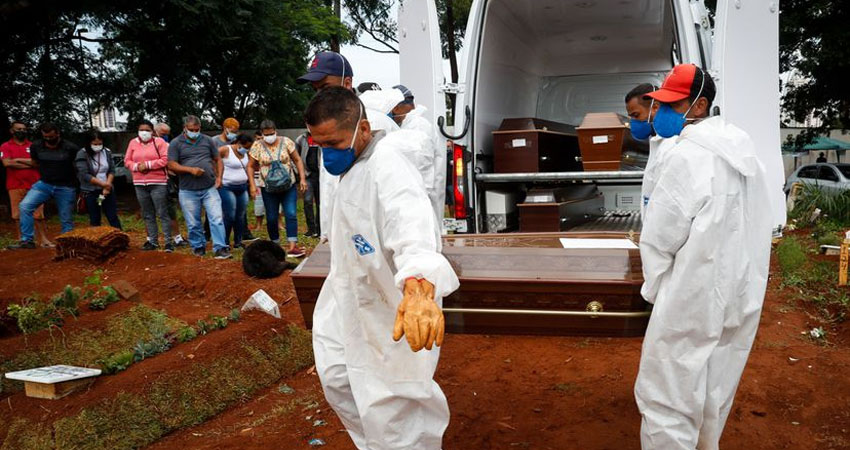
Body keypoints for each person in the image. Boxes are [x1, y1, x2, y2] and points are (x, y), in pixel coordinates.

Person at [306, 87, 459, 449]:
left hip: (390, 306)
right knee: (339, 380)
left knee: (394, 404)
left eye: (334, 143)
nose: (328, 153)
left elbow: (411, 225)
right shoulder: (353, 164)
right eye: (319, 145)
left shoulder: (388, 164)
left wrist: (419, 287)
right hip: (347, 296)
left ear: (363, 128)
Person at [634, 64, 774, 450]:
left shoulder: (687, 156)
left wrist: (657, 291)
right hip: (740, 292)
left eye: (673, 105)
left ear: (699, 106)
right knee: (716, 386)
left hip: (690, 294)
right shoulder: (747, 154)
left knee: (667, 395)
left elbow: (660, 238)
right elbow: (763, 222)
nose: (663, 113)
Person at [297, 51, 399, 241]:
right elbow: (329, 184)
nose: (320, 95)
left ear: (347, 83)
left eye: (325, 87)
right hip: (341, 234)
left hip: (373, 235)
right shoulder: (326, 125)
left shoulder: (376, 123)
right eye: (316, 90)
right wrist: (327, 230)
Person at [167, 115, 231, 259]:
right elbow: (171, 164)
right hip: (188, 189)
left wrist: (219, 177)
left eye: (197, 129)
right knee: (193, 222)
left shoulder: (207, 140)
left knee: (217, 218)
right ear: (185, 128)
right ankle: (198, 246)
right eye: (191, 130)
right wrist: (190, 170)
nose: (194, 132)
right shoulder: (176, 143)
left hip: (209, 187)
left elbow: (218, 159)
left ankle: (220, 247)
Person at [10, 123, 79, 249]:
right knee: (25, 206)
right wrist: (20, 160)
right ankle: (27, 240)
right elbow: (35, 163)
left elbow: (78, 166)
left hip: (65, 186)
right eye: (45, 137)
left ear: (57, 134)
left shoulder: (70, 148)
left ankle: (68, 243)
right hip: (44, 184)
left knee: (66, 217)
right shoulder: (36, 146)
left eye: (51, 137)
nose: (48, 139)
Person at [247, 120, 307, 257]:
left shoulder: (286, 142)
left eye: (272, 133)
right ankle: (275, 246)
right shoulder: (257, 146)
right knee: (272, 217)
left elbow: (297, 159)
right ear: (262, 134)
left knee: (291, 213)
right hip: (268, 188)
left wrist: (302, 178)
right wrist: (252, 185)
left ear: (276, 131)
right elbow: (250, 166)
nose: (270, 136)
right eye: (266, 134)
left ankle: (293, 246)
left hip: (288, 185)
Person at [390, 84, 447, 228]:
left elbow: (421, 168)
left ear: (396, 107)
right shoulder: (410, 125)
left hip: (421, 199)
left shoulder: (417, 126)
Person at [624, 83, 671, 220]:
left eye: (636, 115)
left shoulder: (671, 143)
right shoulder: (655, 141)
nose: (633, 122)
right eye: (630, 117)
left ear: (655, 107)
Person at [1, 121, 51, 247]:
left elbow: (38, 163)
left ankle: (43, 240)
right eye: (18, 129)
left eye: (24, 129)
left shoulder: (33, 145)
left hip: (35, 185)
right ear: (12, 131)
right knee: (17, 215)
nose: (22, 131)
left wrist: (17, 161)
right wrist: (30, 164)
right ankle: (22, 240)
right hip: (15, 185)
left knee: (38, 215)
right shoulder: (5, 146)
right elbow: (7, 163)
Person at [126, 120, 173, 251]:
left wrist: (147, 165)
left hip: (158, 183)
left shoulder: (160, 142)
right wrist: (137, 167)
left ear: (152, 131)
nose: (144, 132)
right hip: (139, 183)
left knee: (162, 212)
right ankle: (153, 241)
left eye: (147, 130)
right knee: (147, 214)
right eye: (141, 130)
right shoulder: (133, 143)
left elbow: (165, 160)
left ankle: (168, 242)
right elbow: (127, 161)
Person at [75, 129, 122, 229]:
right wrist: (103, 184)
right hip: (91, 192)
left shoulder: (107, 152)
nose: (98, 146)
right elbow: (84, 174)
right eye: (95, 144)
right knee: (95, 218)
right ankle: (96, 237)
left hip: (106, 191)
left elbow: (112, 170)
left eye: (100, 144)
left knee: (112, 216)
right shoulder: (82, 154)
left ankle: (119, 235)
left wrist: (107, 186)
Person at [155, 122, 188, 247]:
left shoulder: (169, 145)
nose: (165, 136)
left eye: (167, 134)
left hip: (167, 182)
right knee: (151, 213)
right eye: (163, 134)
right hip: (152, 182)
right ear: (155, 132)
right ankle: (152, 239)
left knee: (170, 211)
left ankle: (176, 238)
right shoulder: (149, 147)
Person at [218, 134, 252, 248]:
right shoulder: (225, 150)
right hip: (227, 186)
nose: (246, 149)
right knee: (230, 215)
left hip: (242, 187)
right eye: (245, 147)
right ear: (238, 143)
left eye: (248, 148)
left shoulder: (246, 153)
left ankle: (238, 241)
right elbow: (213, 158)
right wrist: (217, 176)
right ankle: (225, 241)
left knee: (240, 215)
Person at [295, 131, 320, 237]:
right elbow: (295, 157)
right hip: (307, 175)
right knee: (307, 201)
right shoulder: (301, 139)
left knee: (320, 203)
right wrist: (299, 172)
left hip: (321, 175)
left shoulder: (322, 136)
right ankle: (311, 229)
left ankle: (320, 229)